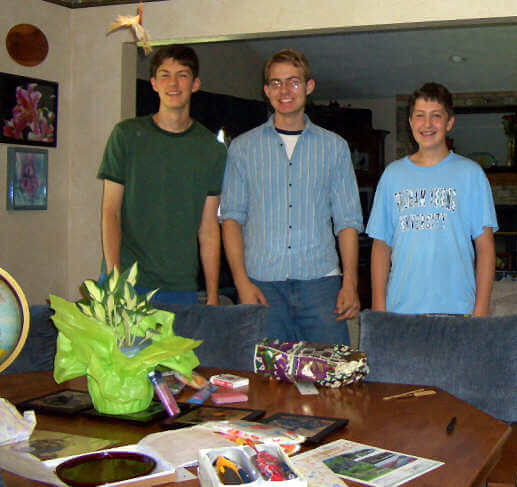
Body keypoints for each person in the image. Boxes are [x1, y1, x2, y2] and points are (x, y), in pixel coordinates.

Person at [220, 48, 363, 344]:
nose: (284, 90)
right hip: (262, 286)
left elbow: (347, 220)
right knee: (268, 384)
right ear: (266, 91)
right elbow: (231, 218)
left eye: (293, 82)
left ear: (309, 87)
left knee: (330, 380)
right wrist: (241, 282)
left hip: (321, 286)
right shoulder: (242, 149)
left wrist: (350, 281)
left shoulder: (334, 147)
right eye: (276, 83)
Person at [97, 45, 226, 305]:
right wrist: (114, 280)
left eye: (182, 75)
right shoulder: (126, 135)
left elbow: (209, 228)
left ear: (195, 83)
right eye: (165, 75)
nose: (174, 83)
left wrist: (212, 295)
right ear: (154, 84)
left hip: (180, 288)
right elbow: (111, 212)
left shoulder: (212, 149)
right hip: (126, 284)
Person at [366, 82, 497, 316]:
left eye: (436, 116)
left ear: (449, 123)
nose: (427, 124)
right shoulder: (392, 175)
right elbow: (381, 246)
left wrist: (481, 310)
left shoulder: (471, 174)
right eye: (420, 116)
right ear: (410, 122)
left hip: (458, 310)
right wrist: (379, 308)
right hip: (401, 311)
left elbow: (485, 247)